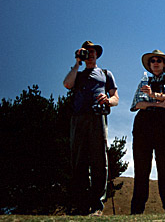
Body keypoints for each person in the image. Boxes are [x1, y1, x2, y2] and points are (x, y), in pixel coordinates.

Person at [63, 41, 119, 216]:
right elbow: (67, 84)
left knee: (99, 161)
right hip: (78, 118)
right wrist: (77, 63)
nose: (91, 54)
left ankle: (96, 206)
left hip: (98, 118)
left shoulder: (105, 73)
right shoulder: (77, 74)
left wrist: (108, 101)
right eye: (87, 52)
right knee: (78, 161)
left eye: (93, 51)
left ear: (97, 54)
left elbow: (115, 97)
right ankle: (80, 205)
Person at [130, 49, 165, 215]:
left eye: (159, 60)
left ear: (164, 64)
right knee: (141, 167)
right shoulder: (144, 81)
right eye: (152, 60)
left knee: (164, 165)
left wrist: (152, 96)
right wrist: (160, 101)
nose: (155, 63)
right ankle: (137, 211)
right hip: (143, 124)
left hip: (164, 123)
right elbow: (138, 104)